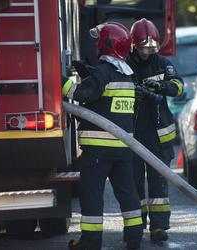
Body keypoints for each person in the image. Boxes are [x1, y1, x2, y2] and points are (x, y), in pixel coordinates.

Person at [62, 22, 143, 250]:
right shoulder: (127, 75)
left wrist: (59, 81)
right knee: (128, 193)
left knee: (92, 195)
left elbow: (83, 93)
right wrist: (89, 73)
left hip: (98, 150)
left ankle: (90, 241)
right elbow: (108, 102)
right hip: (123, 148)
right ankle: (134, 237)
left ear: (106, 44)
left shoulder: (104, 72)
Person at [127, 18, 184, 242]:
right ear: (134, 44)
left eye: (150, 48)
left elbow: (178, 86)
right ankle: (136, 228)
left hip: (158, 137)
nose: (146, 52)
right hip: (132, 135)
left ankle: (158, 228)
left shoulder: (162, 63)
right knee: (134, 184)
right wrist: (134, 94)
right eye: (143, 48)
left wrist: (160, 86)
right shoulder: (124, 64)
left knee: (158, 185)